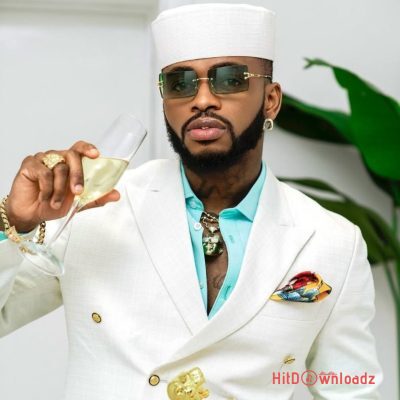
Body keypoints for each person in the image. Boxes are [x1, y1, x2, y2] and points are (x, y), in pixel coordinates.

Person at [0, 4, 382, 399]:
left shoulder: (332, 242)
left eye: (229, 80)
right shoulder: (95, 208)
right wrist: (13, 219)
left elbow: (350, 388)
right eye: (180, 83)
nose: (202, 100)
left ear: (270, 100)